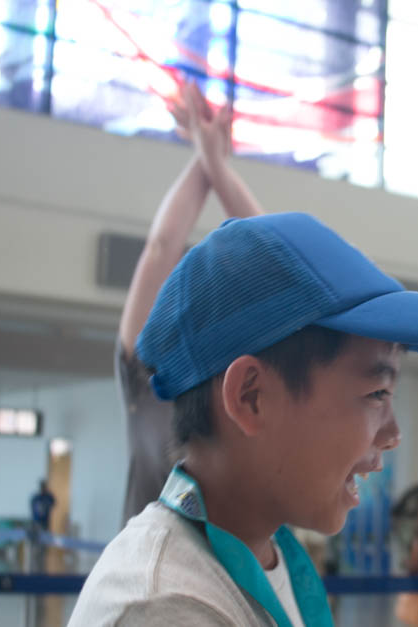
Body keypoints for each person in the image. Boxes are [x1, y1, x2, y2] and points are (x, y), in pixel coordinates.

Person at [68, 130, 418, 624]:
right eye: (377, 392)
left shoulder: (264, 552)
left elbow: (267, 261)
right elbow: (174, 248)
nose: (394, 433)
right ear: (251, 397)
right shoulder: (168, 607)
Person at [117, 80, 264, 523]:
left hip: (231, 574)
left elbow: (272, 255)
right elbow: (162, 247)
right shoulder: (145, 374)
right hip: (148, 572)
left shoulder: (238, 382)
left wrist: (212, 157)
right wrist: (208, 156)